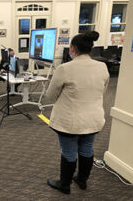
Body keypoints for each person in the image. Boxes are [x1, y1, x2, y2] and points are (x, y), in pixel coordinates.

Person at [46, 31, 110, 194]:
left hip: (70, 121)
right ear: (90, 49)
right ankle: (82, 180)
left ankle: (65, 184)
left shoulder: (65, 68)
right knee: (87, 148)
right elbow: (102, 92)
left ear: (73, 49)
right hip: (93, 119)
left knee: (68, 152)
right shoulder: (102, 67)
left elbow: (50, 96)